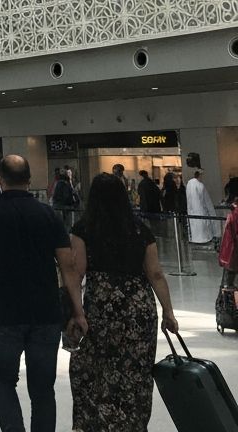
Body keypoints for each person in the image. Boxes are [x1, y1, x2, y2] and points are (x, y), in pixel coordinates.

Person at [0, 154, 86, 432]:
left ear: (0, 181)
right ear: (29, 180)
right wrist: (78, 310)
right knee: (43, 389)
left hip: (4, 313)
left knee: (2, 380)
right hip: (46, 313)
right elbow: (68, 266)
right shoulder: (48, 214)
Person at [68, 173, 179, 432]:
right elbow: (155, 273)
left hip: (102, 308)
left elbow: (77, 272)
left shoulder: (83, 229)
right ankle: (132, 424)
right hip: (139, 309)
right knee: (136, 373)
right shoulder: (140, 230)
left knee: (96, 368)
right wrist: (168, 312)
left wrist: (75, 312)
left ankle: (99, 423)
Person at [186, 169, 217, 244]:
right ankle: (204, 239)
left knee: (195, 228)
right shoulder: (200, 185)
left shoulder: (189, 184)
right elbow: (207, 200)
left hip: (191, 212)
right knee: (203, 230)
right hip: (202, 212)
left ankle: (195, 239)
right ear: (199, 175)